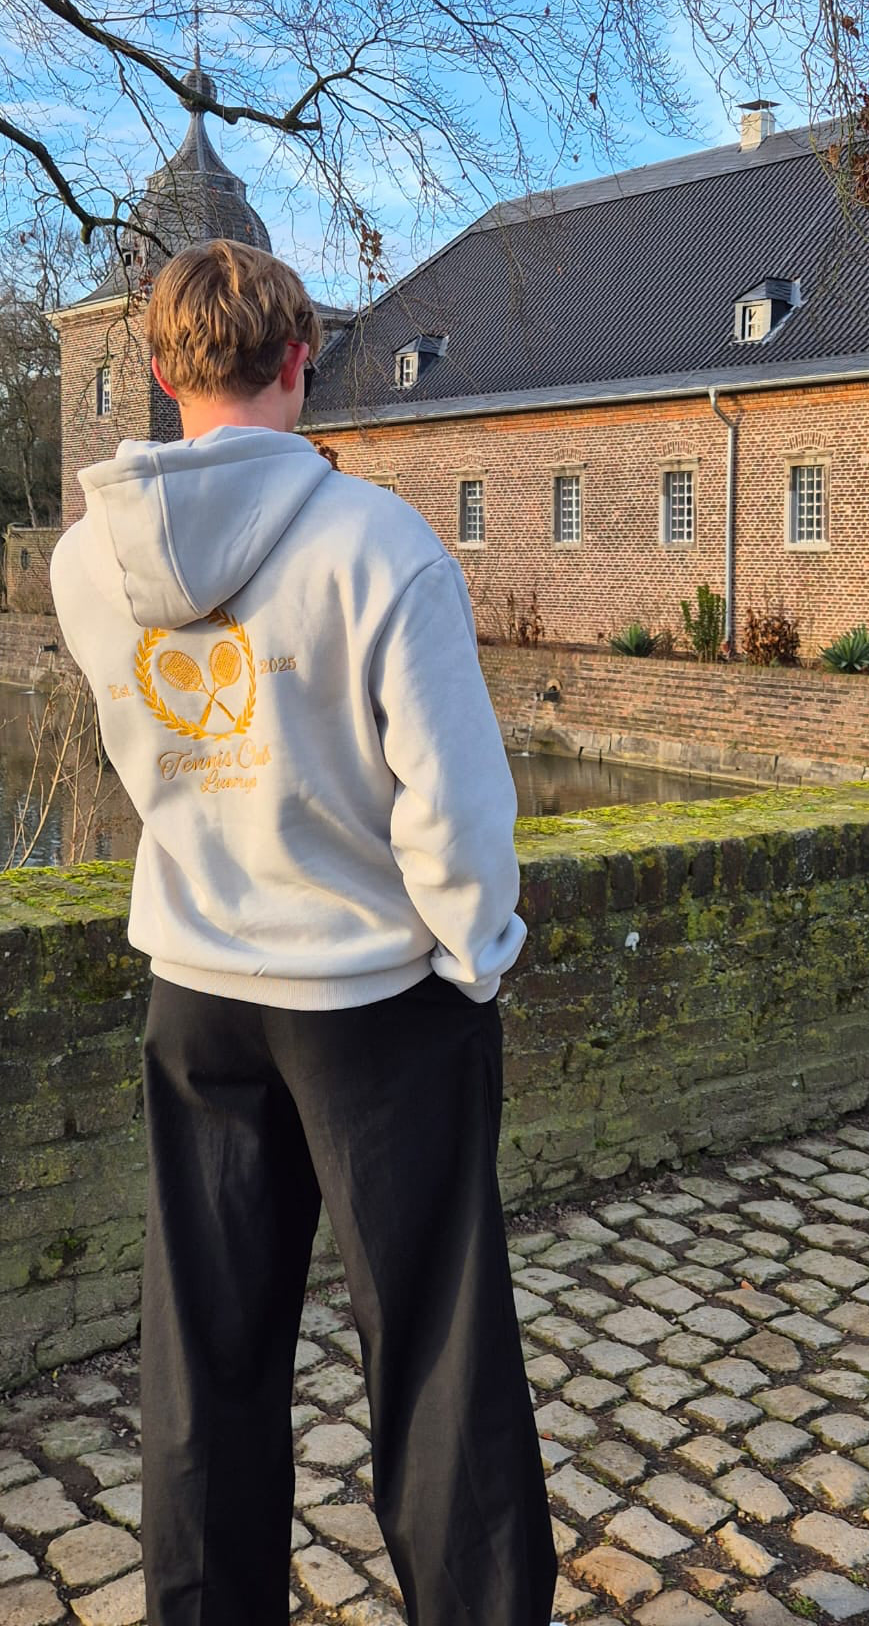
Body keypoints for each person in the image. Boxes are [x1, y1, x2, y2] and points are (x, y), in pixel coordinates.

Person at [51, 238, 559, 1626]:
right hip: (371, 1002)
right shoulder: (377, 543)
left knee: (204, 1355)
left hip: (196, 992)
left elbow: (153, 761)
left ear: (165, 374)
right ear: (301, 360)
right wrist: (474, 958)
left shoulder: (86, 562)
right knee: (436, 1351)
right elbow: (455, 806)